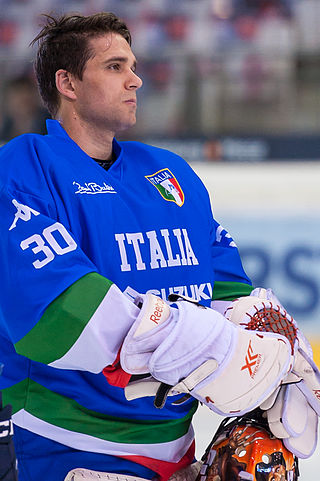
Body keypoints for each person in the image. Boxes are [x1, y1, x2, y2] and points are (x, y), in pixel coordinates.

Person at [0, 12, 318, 481]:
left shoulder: (168, 173)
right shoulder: (25, 169)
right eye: (114, 67)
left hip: (176, 455)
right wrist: (212, 347)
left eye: (134, 65)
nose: (136, 79)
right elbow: (62, 314)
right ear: (66, 82)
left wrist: (275, 346)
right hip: (61, 451)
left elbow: (225, 286)